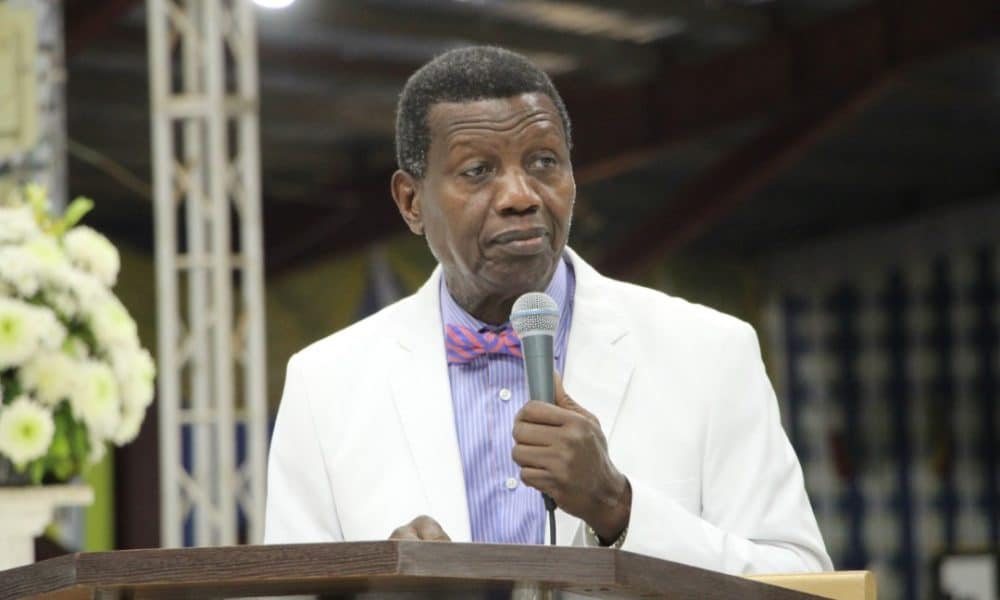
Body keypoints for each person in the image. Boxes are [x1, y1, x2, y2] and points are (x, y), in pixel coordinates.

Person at [264, 45, 832, 575]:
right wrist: (377, 588)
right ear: (411, 202)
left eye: (543, 161)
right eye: (477, 171)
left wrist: (618, 507)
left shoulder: (710, 353)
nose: (521, 195)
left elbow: (802, 582)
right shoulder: (325, 384)